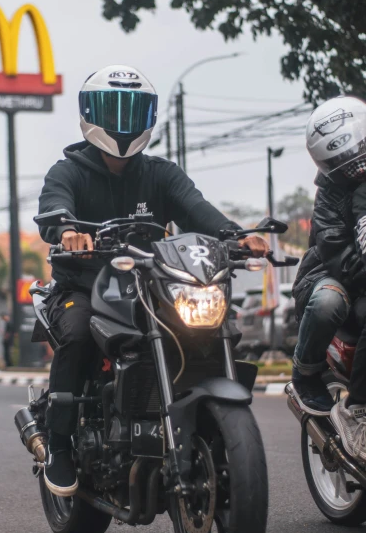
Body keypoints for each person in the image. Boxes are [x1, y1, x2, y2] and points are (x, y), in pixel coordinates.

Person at [37, 64, 269, 496]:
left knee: (211, 326)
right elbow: (54, 207)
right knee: (77, 334)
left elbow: (199, 210)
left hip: (150, 286)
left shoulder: (161, 174)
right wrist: (67, 230)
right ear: (90, 113)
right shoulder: (67, 171)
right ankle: (59, 444)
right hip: (85, 286)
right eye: (112, 108)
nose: (122, 121)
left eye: (132, 109)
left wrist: (238, 236)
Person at [292, 95, 366, 464]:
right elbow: (341, 257)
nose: (352, 167)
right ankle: (308, 374)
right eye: (339, 161)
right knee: (328, 303)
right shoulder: (328, 199)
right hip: (331, 275)